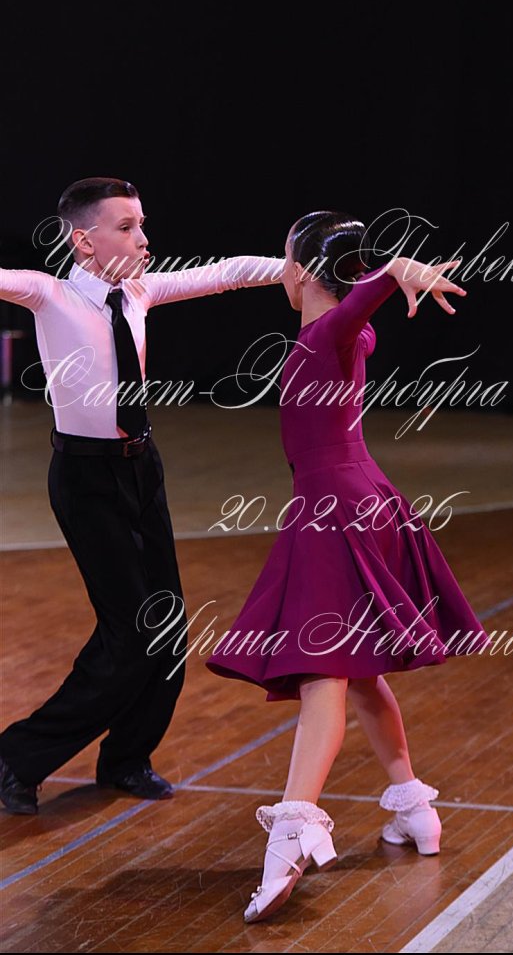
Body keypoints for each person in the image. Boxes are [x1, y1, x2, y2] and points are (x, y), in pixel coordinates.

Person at [204, 210, 494, 922]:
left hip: (335, 509)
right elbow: (355, 311)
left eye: (285, 260)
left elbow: (354, 307)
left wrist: (392, 271)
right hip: (366, 498)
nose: (280, 271)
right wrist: (380, 273)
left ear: (304, 271)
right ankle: (414, 810)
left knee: (321, 675)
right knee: (359, 672)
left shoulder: (324, 336)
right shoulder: (347, 336)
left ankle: (292, 832)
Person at [0, 176, 286, 815]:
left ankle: (127, 758)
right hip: (85, 480)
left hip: (141, 469)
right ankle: (16, 757)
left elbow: (229, 273)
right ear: (84, 241)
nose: (143, 239)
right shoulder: (49, 294)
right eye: (127, 227)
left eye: (142, 225)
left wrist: (301, 265)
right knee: (130, 634)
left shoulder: (139, 292)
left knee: (166, 627)